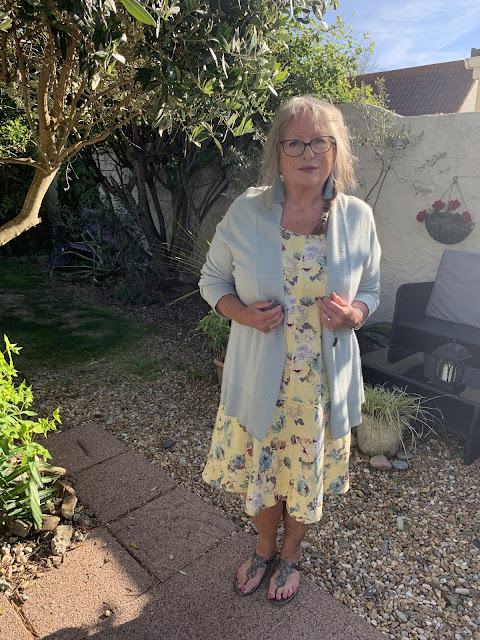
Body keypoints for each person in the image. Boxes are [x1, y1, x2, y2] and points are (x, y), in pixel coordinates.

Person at [199, 95, 381, 604]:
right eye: (295, 142)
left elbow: (372, 290)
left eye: (320, 142)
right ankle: (263, 549)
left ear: (336, 151)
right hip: (260, 379)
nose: (308, 153)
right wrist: (242, 314)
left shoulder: (357, 217)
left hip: (319, 389)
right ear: (277, 152)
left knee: (303, 479)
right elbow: (212, 280)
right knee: (261, 476)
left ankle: (292, 554)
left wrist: (355, 315)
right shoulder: (246, 211)